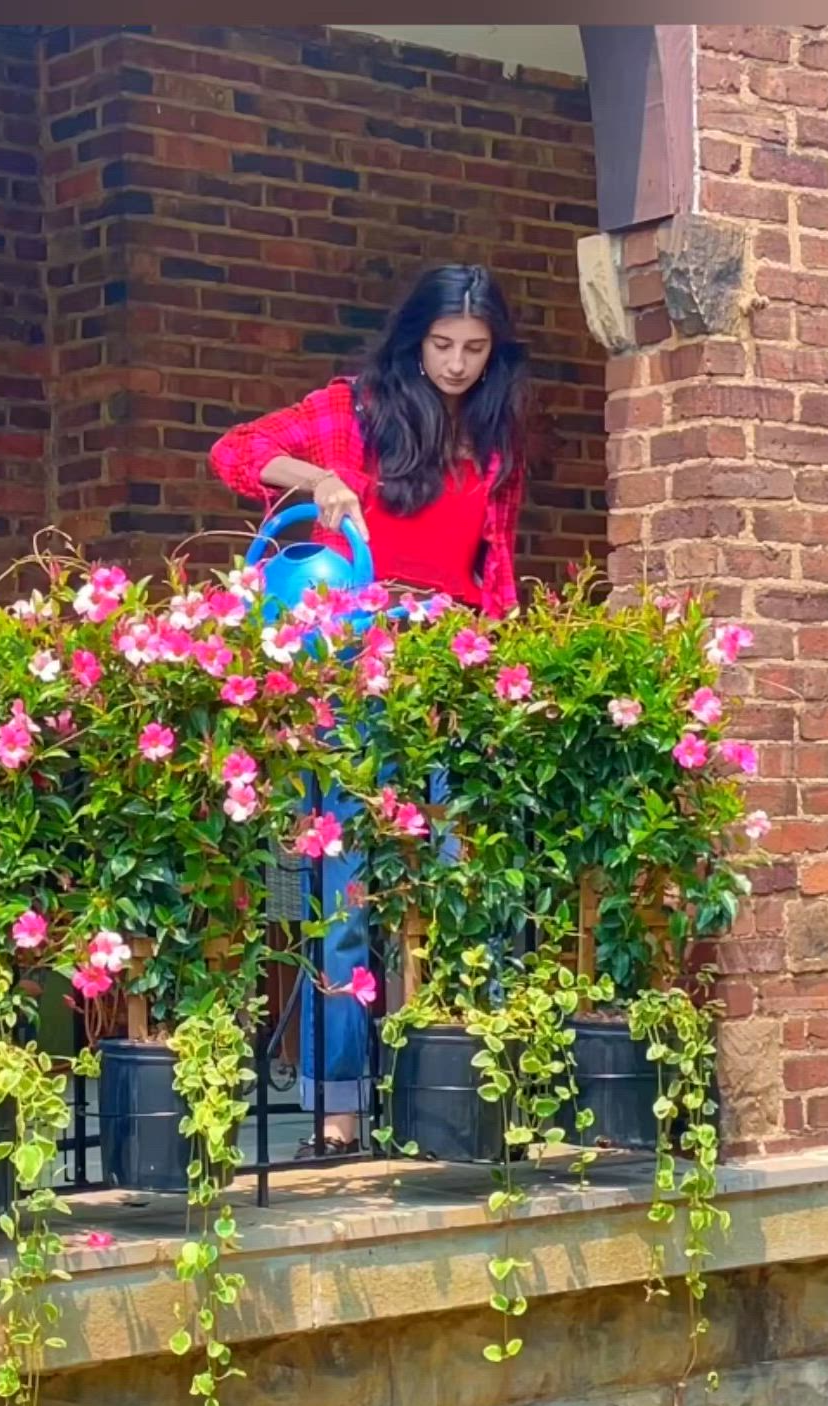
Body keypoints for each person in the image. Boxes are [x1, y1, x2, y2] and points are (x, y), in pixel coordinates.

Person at [210, 262, 528, 1151]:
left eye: (475, 348)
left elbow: (491, 574)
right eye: (442, 345)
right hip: (357, 660)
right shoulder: (353, 408)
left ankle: (465, 1089)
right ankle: (339, 1111)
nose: (458, 364)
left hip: (452, 671)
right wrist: (316, 479)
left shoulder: (496, 437)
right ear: (413, 338)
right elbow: (233, 453)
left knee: (464, 878)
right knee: (342, 892)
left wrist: (506, 674)